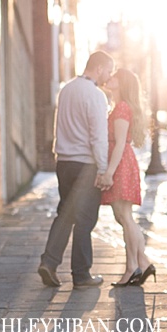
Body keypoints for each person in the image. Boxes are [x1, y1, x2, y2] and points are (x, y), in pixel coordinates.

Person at [38, 51, 114, 289]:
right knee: (85, 219)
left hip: (64, 162)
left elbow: (57, 124)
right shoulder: (96, 95)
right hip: (85, 165)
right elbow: (98, 137)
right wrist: (103, 168)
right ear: (99, 68)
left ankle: (49, 263)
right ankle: (81, 275)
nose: (108, 77)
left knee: (66, 213)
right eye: (109, 71)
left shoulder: (67, 89)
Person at [96, 68, 155, 286]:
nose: (108, 78)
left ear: (121, 84)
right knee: (123, 217)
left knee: (125, 217)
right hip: (121, 162)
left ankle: (133, 266)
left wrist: (109, 173)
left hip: (120, 164)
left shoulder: (121, 108)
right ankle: (142, 263)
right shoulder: (119, 106)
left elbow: (120, 142)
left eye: (114, 76)